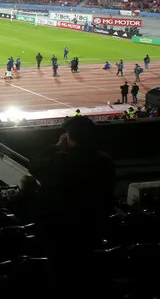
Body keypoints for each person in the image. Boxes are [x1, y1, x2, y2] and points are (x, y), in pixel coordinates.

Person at [29, 116, 115, 283]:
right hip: (92, 228)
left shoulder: (63, 161)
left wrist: (55, 147)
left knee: (62, 274)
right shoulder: (105, 161)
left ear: (69, 136)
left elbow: (34, 166)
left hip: (63, 232)